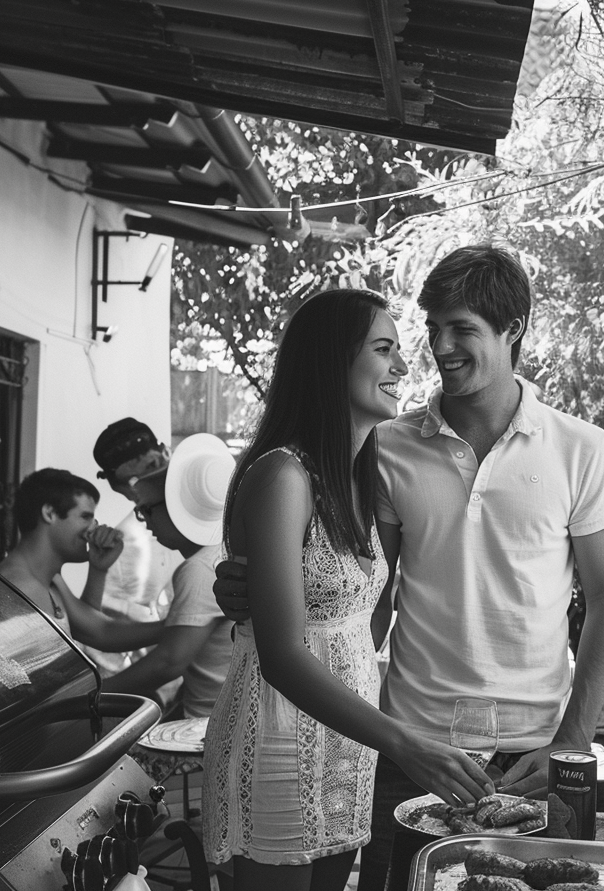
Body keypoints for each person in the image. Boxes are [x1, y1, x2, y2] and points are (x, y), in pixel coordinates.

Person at [216, 246, 604, 891]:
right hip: (403, 740)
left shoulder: (582, 447)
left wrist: (571, 742)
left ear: (513, 329)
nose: (440, 346)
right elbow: (360, 591)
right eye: (431, 326)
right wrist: (250, 588)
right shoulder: (383, 445)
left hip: (536, 748)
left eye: (461, 328)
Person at [200, 288, 493, 891]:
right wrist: (404, 743)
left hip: (346, 748)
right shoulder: (283, 474)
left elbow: (356, 617)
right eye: (384, 349)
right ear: (332, 362)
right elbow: (282, 655)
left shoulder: (358, 477)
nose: (405, 367)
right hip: (278, 743)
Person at [106, 432, 235, 717]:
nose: (144, 521)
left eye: (145, 511)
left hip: (203, 726)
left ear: (177, 508)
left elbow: (169, 661)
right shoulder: (225, 552)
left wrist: (94, 695)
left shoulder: (200, 569)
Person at [0, 468, 166, 657]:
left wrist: (98, 569)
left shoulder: (50, 580)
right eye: (85, 517)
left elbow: (100, 631)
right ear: (50, 513)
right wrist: (177, 627)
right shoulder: (18, 588)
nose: (93, 529)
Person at [82, 419, 185, 689]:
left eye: (154, 467)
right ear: (123, 490)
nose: (155, 483)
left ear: (166, 453)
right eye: (136, 482)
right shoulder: (125, 544)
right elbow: (98, 637)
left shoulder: (214, 511)